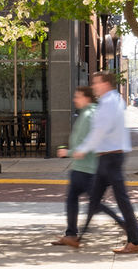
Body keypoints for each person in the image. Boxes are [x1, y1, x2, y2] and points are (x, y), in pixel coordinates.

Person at [52, 87, 123, 247]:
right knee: (74, 200)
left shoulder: (90, 115)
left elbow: (91, 141)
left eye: (77, 96)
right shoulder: (85, 113)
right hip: (80, 168)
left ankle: (124, 224)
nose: (74, 99)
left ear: (86, 98)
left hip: (88, 169)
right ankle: (71, 234)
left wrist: (68, 152)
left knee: (95, 203)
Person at [86, 70, 138, 254]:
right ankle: (75, 236)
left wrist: (83, 149)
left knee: (121, 200)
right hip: (108, 156)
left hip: (110, 157)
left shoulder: (109, 102)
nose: (93, 86)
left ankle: (135, 240)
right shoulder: (113, 100)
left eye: (96, 83)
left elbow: (100, 130)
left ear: (105, 83)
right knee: (95, 200)